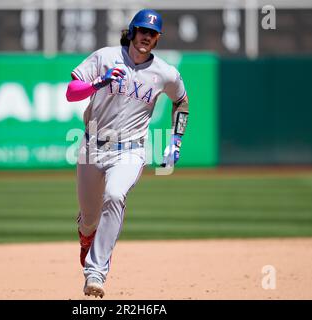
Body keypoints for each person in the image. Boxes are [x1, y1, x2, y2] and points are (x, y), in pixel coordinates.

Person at [66, 8, 189, 298]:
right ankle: (86, 237)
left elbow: (181, 102)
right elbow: (72, 91)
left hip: (130, 150)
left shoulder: (165, 73)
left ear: (157, 38)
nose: (146, 37)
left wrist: (176, 140)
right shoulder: (105, 57)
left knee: (115, 195)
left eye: (152, 33)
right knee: (88, 218)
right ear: (132, 31)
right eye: (142, 31)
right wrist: (99, 82)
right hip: (92, 147)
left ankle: (95, 274)